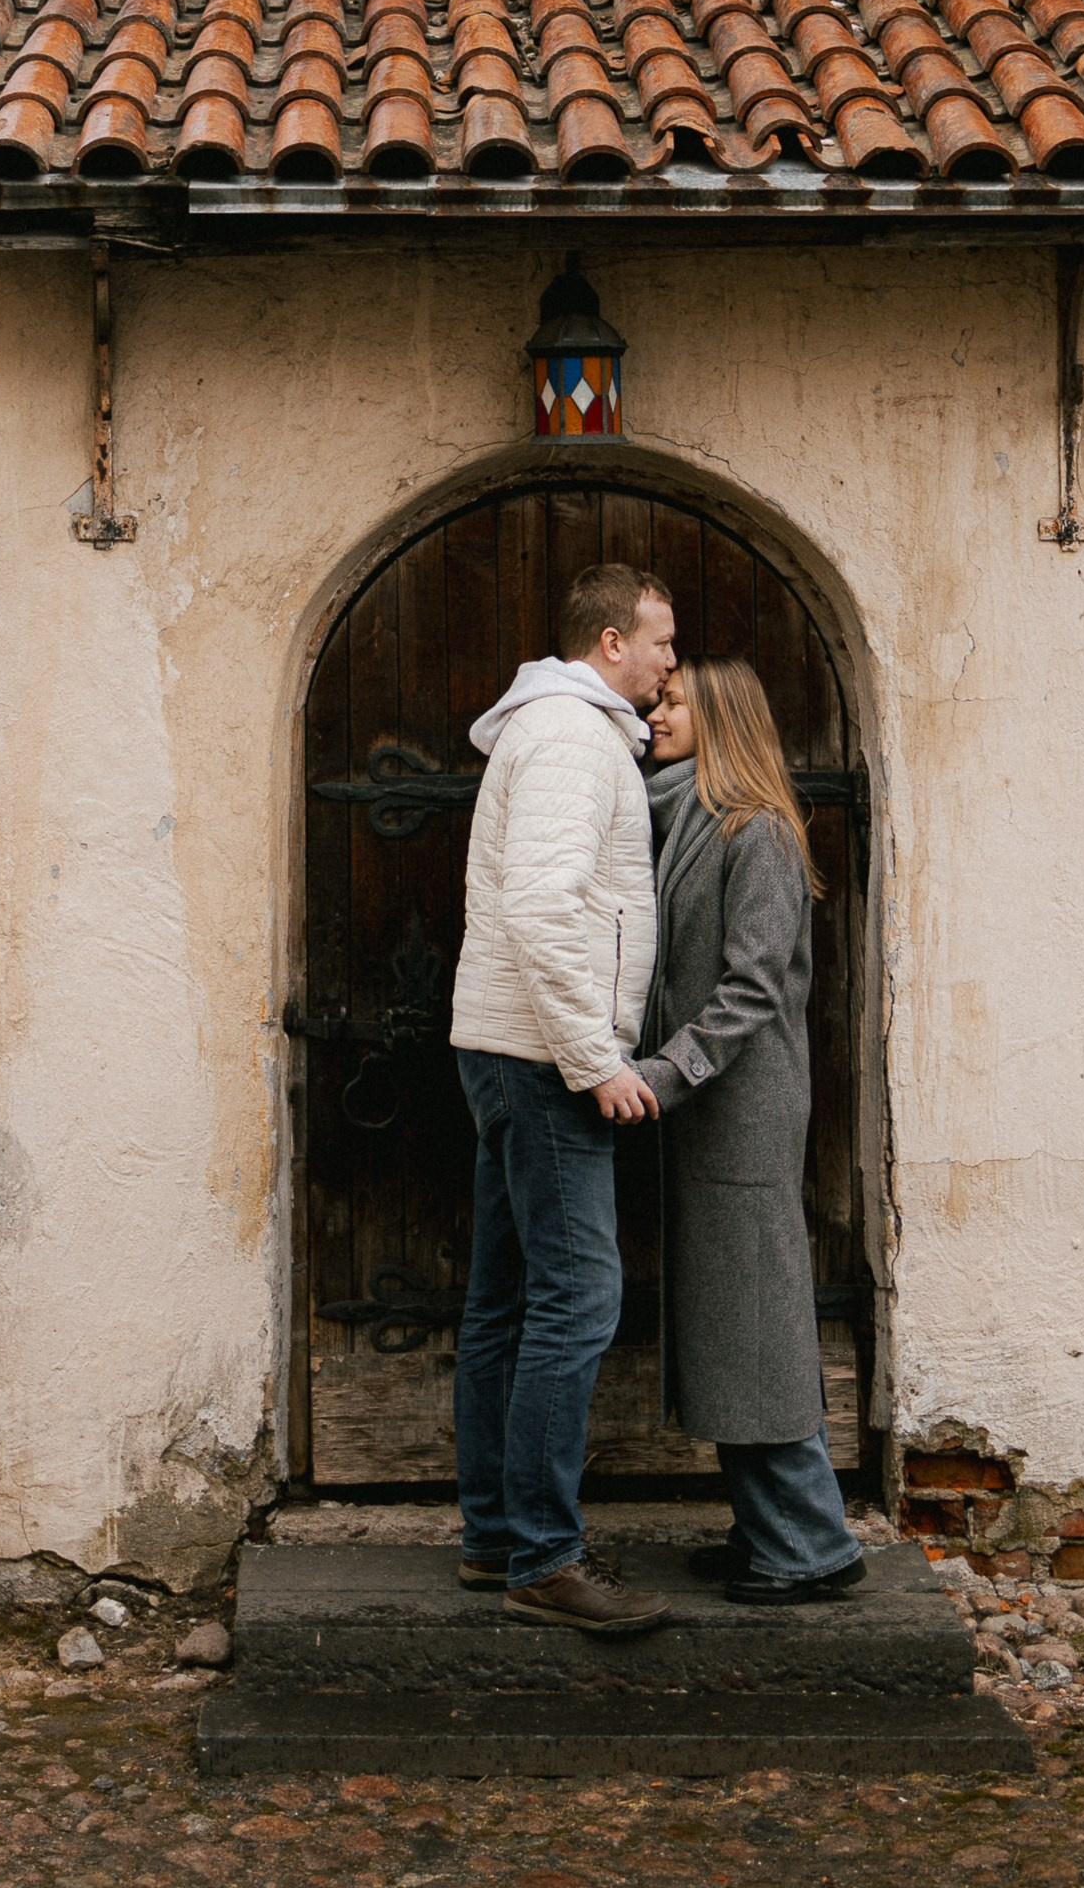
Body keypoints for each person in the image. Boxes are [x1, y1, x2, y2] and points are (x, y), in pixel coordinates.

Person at [450, 560, 676, 1637]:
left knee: (506, 1298)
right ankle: (543, 1556)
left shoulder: (562, 732)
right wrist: (594, 1058)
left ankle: (497, 1533)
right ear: (608, 646)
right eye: (661, 642)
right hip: (542, 1062)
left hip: (509, 1049)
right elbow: (541, 906)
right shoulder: (575, 741)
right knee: (579, 1297)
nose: (671, 662)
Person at [630, 656, 867, 1606]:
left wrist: (669, 1068)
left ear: (724, 718)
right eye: (661, 696)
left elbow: (754, 985)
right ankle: (766, 1528)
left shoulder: (757, 828)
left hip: (741, 1110)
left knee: (757, 1319)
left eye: (677, 701)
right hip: (709, 1115)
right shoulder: (686, 813)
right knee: (728, 1318)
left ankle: (812, 1545)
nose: (657, 710)